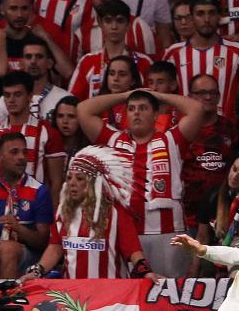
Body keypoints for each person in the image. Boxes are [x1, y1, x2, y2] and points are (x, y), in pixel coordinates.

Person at [78, 88, 203, 278]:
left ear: (155, 115)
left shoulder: (171, 140)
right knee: (130, 294)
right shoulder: (112, 140)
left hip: (168, 231)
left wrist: (158, 95)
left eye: (143, 108)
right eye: (131, 108)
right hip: (125, 233)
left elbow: (197, 109)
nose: (136, 112)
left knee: (169, 291)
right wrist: (124, 95)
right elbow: (83, 110)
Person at [20, 146, 159, 281]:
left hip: (111, 295)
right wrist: (37, 271)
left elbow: (133, 250)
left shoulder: (116, 212)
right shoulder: (63, 212)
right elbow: (56, 247)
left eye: (79, 178)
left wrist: (146, 272)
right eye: (69, 178)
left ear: (94, 183)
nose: (72, 183)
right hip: (73, 295)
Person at [0, 132, 54, 279]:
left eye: (24, 152)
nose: (22, 157)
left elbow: (43, 242)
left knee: (8, 248)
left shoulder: (39, 191)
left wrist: (18, 228)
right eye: (14, 152)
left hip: (29, 259)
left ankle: (7, 300)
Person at [162, 0, 239, 117]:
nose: (206, 19)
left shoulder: (237, 51)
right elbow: (161, 93)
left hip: (224, 131)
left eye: (211, 13)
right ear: (191, 17)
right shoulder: (173, 53)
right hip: (186, 131)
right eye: (200, 13)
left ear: (219, 16)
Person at [68, 0, 154, 101]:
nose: (114, 27)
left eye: (120, 21)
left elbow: (154, 101)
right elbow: (72, 101)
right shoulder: (87, 61)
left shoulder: (144, 62)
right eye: (108, 21)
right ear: (100, 23)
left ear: (128, 24)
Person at [183, 73, 239, 229]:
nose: (208, 97)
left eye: (212, 93)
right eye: (201, 93)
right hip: (188, 217)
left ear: (219, 96)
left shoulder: (231, 128)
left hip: (223, 214)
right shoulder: (183, 130)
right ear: (189, 97)